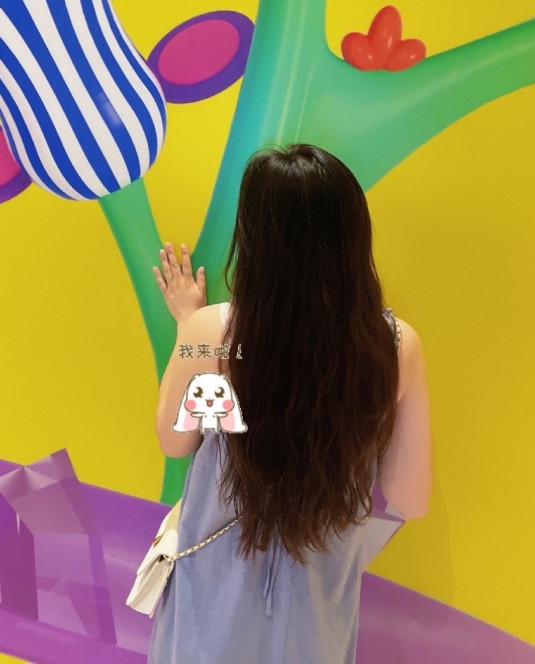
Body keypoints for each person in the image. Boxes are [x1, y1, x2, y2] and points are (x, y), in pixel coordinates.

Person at [148, 143, 432, 663]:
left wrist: (189, 327)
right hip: (317, 609)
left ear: (254, 239)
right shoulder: (396, 346)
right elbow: (411, 499)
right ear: (353, 237)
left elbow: (175, 440)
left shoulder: (214, 333)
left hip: (213, 600)